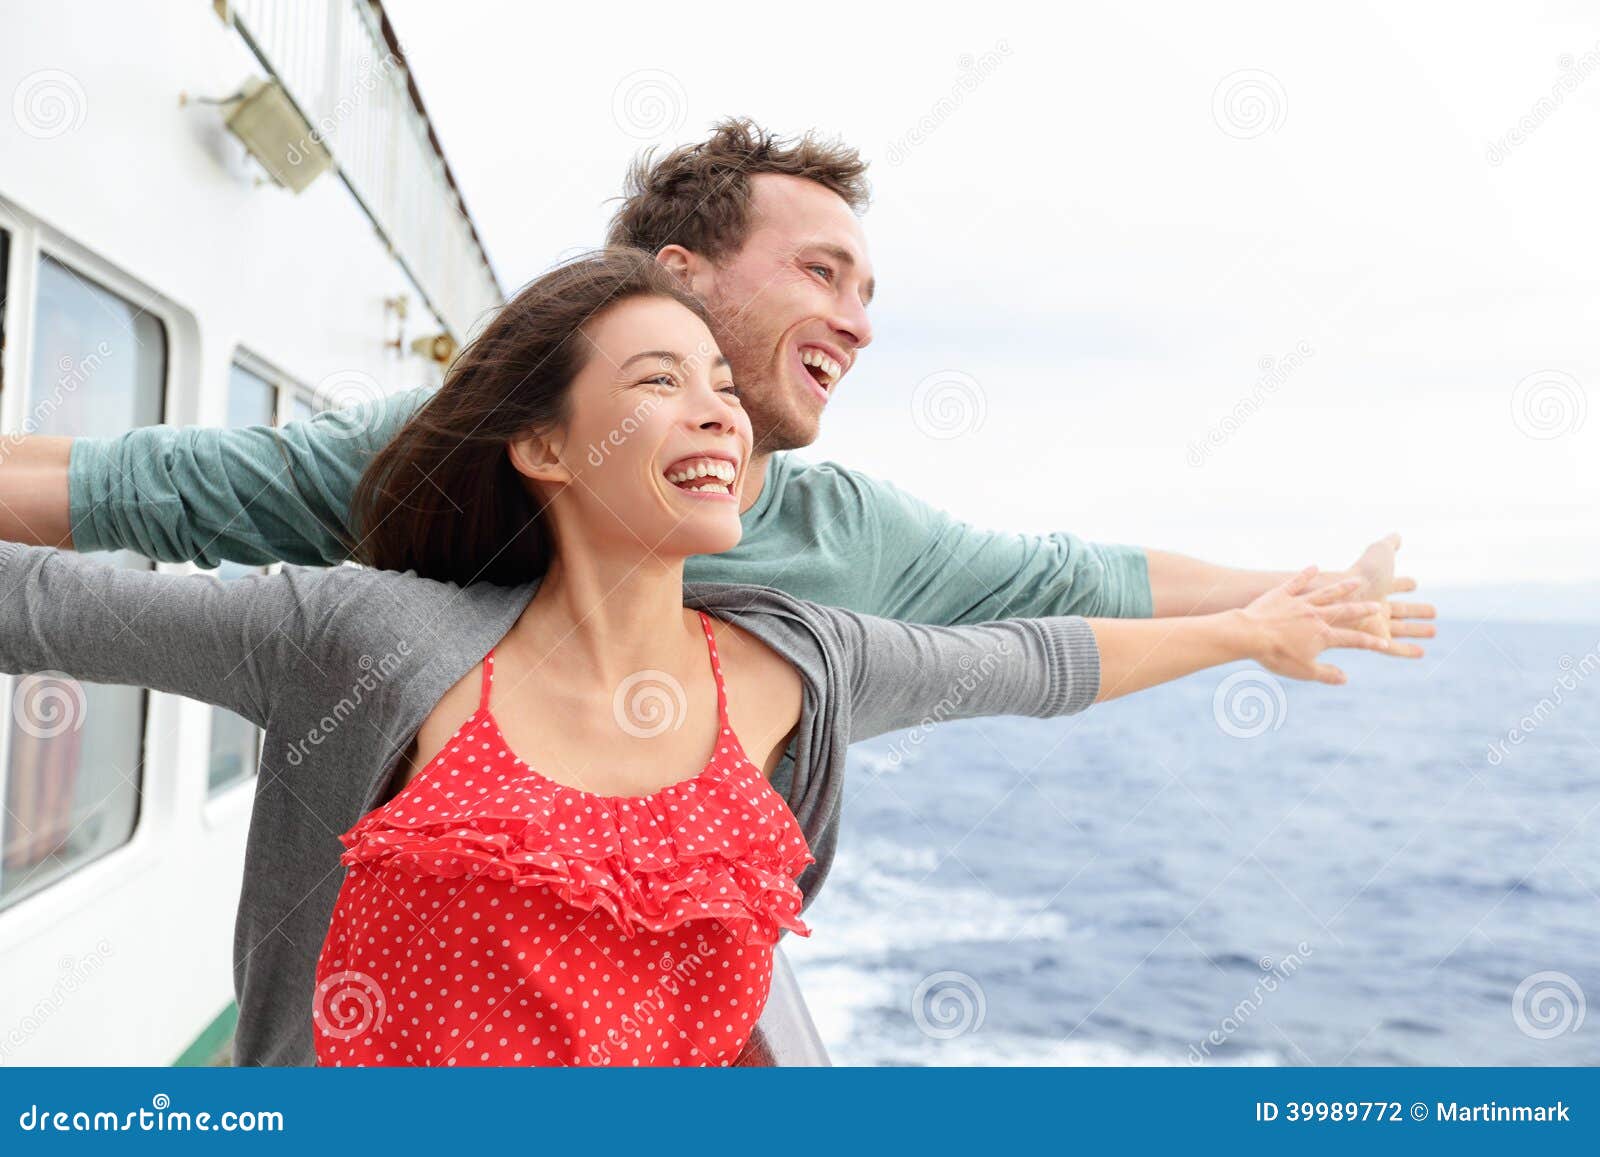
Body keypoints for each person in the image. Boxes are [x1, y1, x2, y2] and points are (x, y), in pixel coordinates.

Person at [0, 251, 1401, 1066]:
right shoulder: (366, 643)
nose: (719, 411)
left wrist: (1256, 628)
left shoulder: (799, 667)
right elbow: (47, 607)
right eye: (660, 380)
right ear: (546, 447)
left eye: (721, 385)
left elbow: (1040, 651)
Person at [0, 119, 1435, 643]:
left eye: (869, 291)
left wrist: (1282, 595)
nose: (858, 321)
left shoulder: (844, 540)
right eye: (821, 272)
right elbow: (123, 491)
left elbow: (1070, 581)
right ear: (681, 275)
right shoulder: (452, 451)